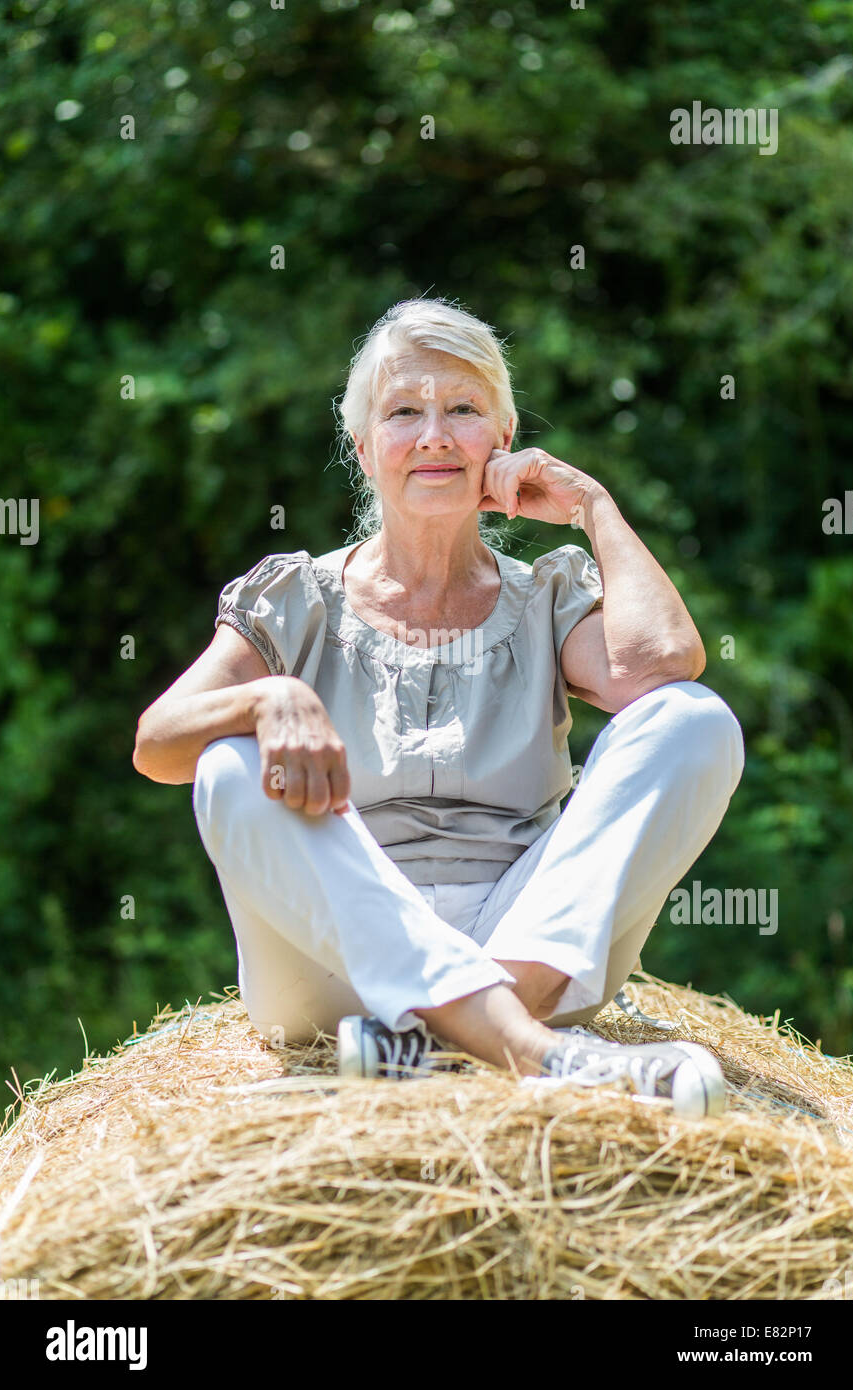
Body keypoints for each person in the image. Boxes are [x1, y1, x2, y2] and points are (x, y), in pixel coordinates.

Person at [133, 297, 745, 1117]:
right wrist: (270, 694)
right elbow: (155, 744)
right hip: (334, 972)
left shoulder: (546, 598)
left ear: (503, 438)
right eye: (403, 413)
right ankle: (530, 1049)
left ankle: (441, 1040)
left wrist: (593, 507)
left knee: (694, 719)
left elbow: (661, 664)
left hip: (527, 937)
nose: (434, 436)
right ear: (362, 447)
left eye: (462, 410)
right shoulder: (299, 598)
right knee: (227, 763)